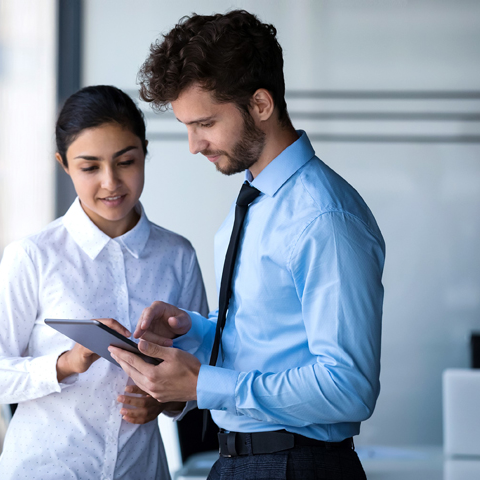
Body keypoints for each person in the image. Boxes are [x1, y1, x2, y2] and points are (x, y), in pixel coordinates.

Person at [109, 10, 385, 480]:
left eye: (206, 123)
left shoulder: (323, 217)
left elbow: (348, 386)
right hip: (247, 461)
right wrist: (192, 330)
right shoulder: (258, 203)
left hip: (296, 466)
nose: (194, 145)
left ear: (260, 104)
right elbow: (270, 336)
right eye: (187, 126)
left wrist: (203, 384)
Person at [0, 85, 209, 480]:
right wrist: (67, 363)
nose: (111, 182)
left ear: (145, 152)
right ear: (65, 165)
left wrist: (164, 402)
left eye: (126, 161)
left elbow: (199, 373)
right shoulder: (34, 256)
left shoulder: (177, 256)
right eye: (90, 167)